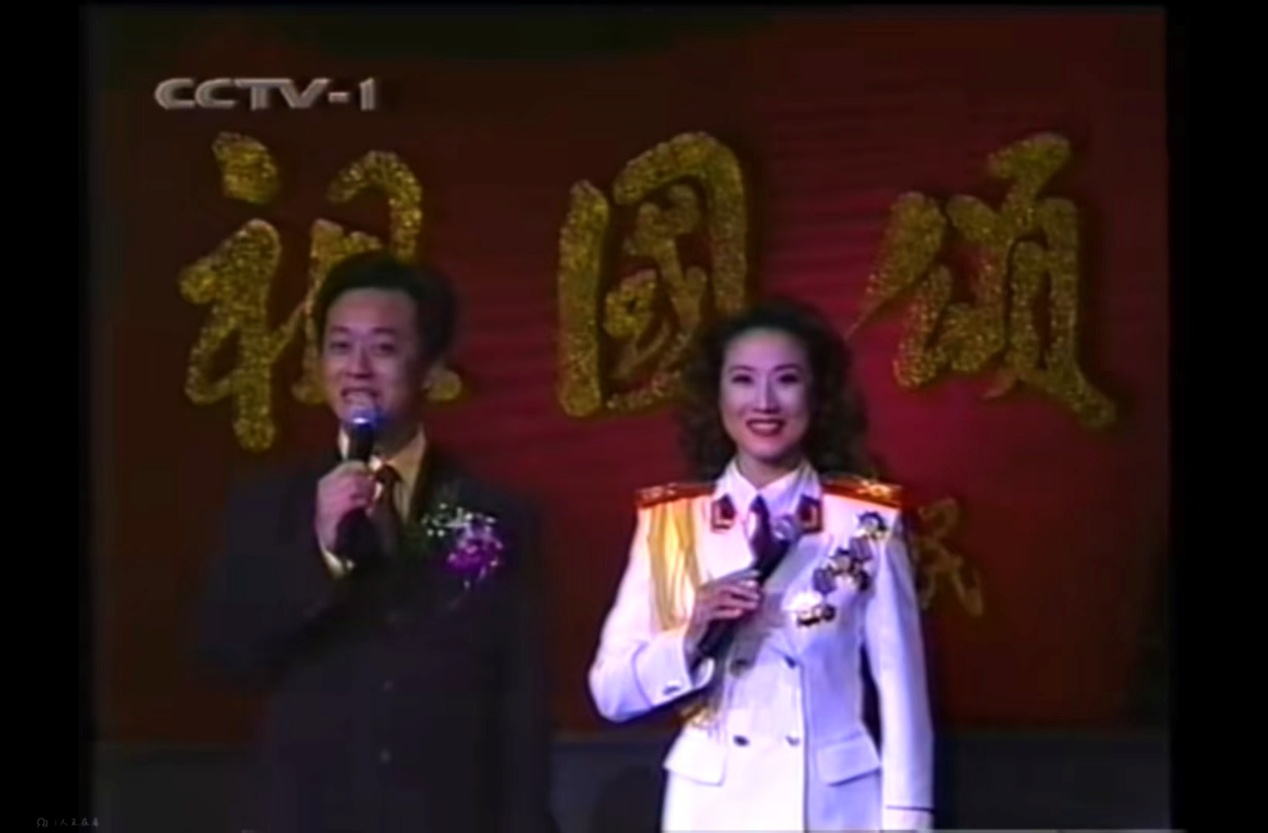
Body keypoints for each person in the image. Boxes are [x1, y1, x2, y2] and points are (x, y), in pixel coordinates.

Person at [198, 251, 554, 833]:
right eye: (340, 347)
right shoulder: (268, 505)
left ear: (432, 368)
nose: (357, 369)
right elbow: (230, 653)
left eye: (383, 348)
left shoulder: (494, 514)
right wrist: (321, 553)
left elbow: (519, 705)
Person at [587, 298, 934, 832]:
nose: (765, 402)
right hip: (712, 808)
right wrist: (691, 637)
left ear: (817, 394)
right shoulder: (672, 526)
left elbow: (903, 696)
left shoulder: (865, 522)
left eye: (787, 380)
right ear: (717, 395)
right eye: (743, 380)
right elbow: (612, 694)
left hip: (832, 808)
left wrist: (907, 822)